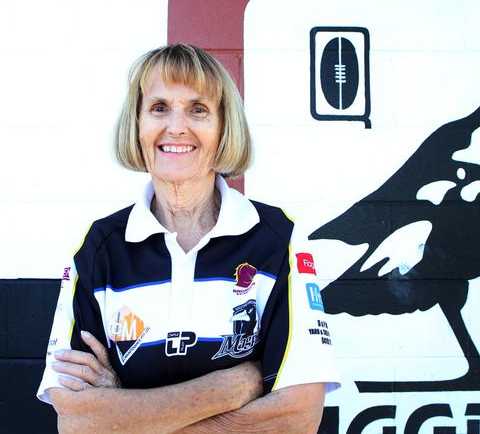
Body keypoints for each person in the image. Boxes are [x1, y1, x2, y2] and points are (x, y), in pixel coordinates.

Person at [36, 43, 340, 433]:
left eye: (198, 109)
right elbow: (77, 422)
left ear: (223, 127)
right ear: (138, 124)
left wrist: (124, 411)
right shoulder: (98, 248)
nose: (176, 126)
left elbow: (297, 419)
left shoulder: (277, 239)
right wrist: (238, 384)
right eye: (159, 108)